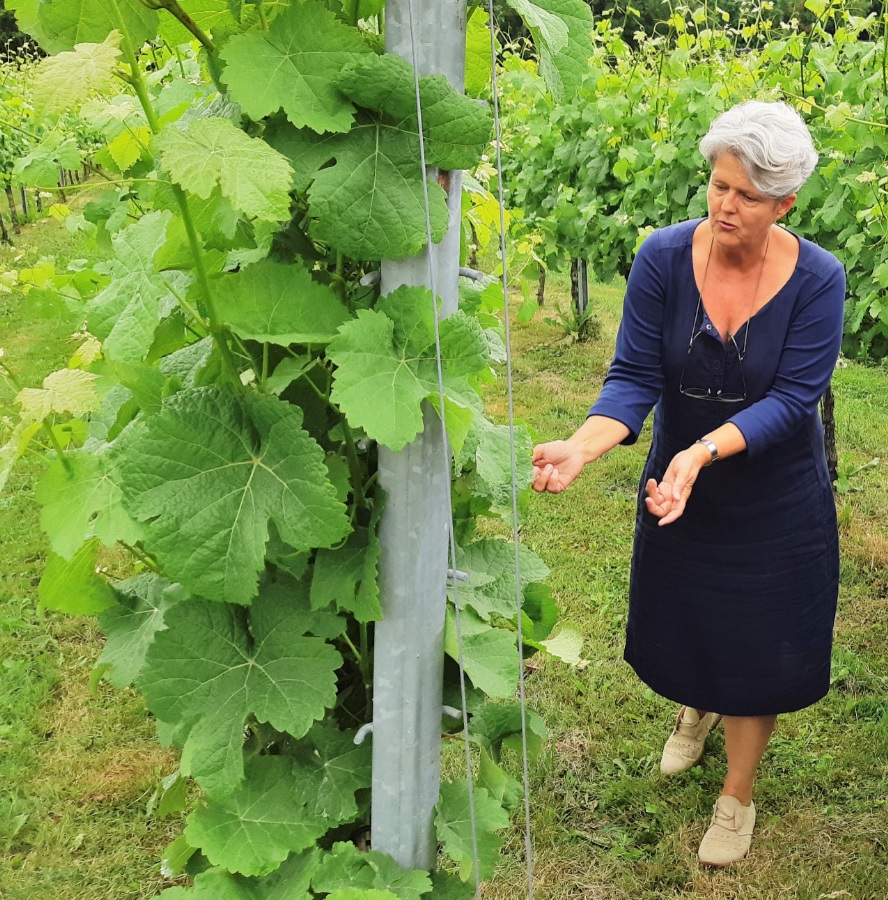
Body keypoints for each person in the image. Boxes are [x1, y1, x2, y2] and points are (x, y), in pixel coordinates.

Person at [531, 100, 845, 867]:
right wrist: (582, 446)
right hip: (682, 489)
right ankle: (696, 707)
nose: (725, 204)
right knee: (698, 621)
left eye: (745, 194)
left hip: (775, 497)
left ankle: (737, 792)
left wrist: (700, 453)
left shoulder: (819, 280)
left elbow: (793, 399)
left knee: (762, 643)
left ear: (784, 203)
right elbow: (634, 376)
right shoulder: (663, 259)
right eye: (717, 185)